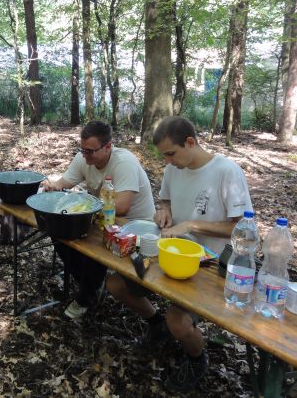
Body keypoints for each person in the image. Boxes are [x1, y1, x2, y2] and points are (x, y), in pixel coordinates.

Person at [106, 116, 253, 393]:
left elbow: (241, 229)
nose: (168, 161)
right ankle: (155, 324)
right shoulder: (175, 168)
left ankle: (196, 359)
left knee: (179, 320)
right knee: (115, 283)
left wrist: (191, 224)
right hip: (170, 253)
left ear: (190, 141)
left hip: (209, 267)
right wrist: (164, 212)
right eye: (164, 156)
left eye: (171, 154)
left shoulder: (226, 171)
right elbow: (166, 200)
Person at [44, 120, 155, 319]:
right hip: (103, 218)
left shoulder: (124, 163)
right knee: (58, 233)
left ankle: (86, 297)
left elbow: (121, 207)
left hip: (136, 227)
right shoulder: (84, 158)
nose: (85, 155)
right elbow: (65, 182)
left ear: (108, 147)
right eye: (82, 150)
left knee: (96, 250)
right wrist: (53, 186)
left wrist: (86, 208)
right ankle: (91, 285)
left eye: (90, 151)